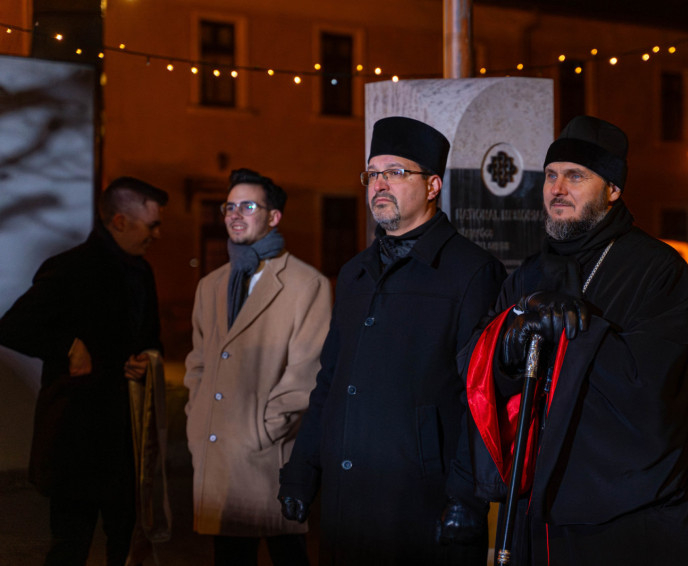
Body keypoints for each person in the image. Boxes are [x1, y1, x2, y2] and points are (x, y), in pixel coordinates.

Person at [458, 115, 688, 565]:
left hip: (623, 511)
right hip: (536, 502)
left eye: (576, 176)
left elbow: (656, 387)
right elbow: (474, 363)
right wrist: (510, 339)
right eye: (551, 175)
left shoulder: (659, 270)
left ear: (612, 190)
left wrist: (577, 331)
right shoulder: (531, 274)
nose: (557, 189)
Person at [278, 116, 507, 565]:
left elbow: (481, 397)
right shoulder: (355, 273)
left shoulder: (471, 272)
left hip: (420, 502)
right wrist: (302, 471)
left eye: (396, 172)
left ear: (433, 185)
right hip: (347, 499)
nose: (380, 184)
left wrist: (468, 497)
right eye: (373, 174)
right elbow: (330, 382)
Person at [0, 176, 169, 566]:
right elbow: (12, 327)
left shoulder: (142, 272)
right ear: (120, 221)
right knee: (70, 547)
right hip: (76, 442)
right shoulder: (70, 268)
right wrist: (68, 346)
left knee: (127, 546)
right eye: (152, 224)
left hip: (126, 442)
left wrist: (147, 358)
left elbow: (151, 339)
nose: (158, 234)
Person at [183, 168, 332, 566]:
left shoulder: (306, 284)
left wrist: (264, 427)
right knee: (230, 555)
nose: (235, 214)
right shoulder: (211, 284)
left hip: (268, 452)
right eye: (229, 207)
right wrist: (197, 416)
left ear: (274, 217)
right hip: (217, 447)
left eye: (248, 206)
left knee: (287, 551)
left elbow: (307, 371)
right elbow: (199, 361)